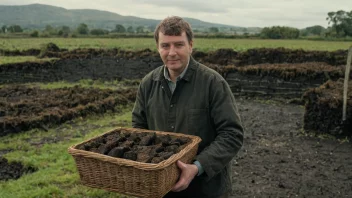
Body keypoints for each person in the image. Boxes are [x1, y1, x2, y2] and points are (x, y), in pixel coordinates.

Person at [132, 16, 244, 198]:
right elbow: (139, 127)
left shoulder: (212, 83)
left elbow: (232, 134)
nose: (172, 52)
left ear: (191, 45)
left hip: (205, 189)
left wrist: (196, 167)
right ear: (158, 47)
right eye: (165, 45)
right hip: (161, 188)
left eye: (179, 45)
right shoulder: (148, 83)